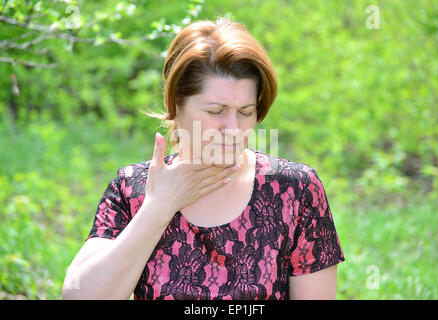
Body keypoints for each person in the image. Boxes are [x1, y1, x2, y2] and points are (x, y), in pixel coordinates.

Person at [62, 18, 345, 300]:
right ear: (174, 105)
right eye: (215, 111)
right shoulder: (132, 188)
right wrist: (159, 207)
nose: (233, 128)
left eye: (245, 112)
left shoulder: (295, 190)